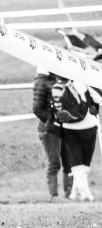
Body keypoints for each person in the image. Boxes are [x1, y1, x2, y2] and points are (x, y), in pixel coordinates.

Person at [57, 77, 102, 202]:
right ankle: (85, 195)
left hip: (68, 126)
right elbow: (99, 99)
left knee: (77, 163)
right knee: (84, 165)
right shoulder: (84, 83)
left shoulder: (62, 84)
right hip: (88, 127)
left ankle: (75, 194)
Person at [32, 68, 72, 200]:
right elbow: (37, 108)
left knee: (68, 162)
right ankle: (54, 196)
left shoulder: (54, 80)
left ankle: (69, 194)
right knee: (54, 162)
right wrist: (53, 120)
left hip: (62, 127)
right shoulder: (41, 82)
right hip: (49, 129)